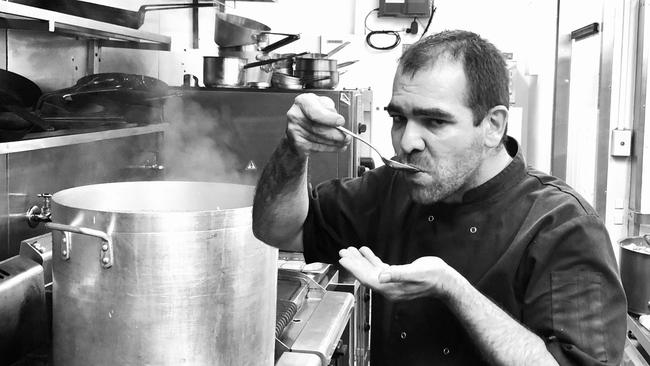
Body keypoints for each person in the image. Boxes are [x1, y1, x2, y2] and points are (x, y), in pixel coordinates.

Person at [252, 30, 627, 366]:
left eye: (434, 121)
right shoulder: (392, 188)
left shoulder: (562, 225)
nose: (406, 142)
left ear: (493, 126)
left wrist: (454, 289)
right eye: (399, 118)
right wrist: (293, 150)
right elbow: (280, 231)